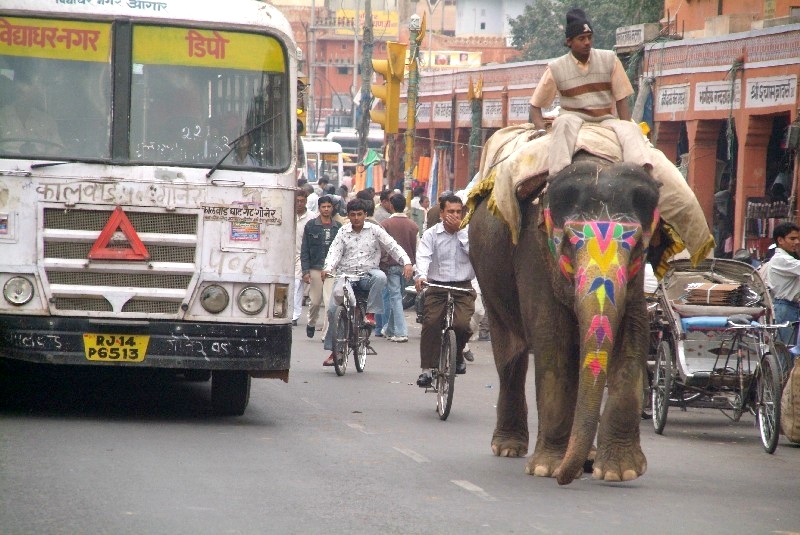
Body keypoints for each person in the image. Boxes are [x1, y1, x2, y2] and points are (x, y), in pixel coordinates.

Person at [528, 7, 652, 176]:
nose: (587, 42)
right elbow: (535, 105)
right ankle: (557, 175)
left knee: (631, 129)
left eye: (589, 37)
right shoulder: (556, 67)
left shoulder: (609, 59)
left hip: (605, 119)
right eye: (581, 38)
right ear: (569, 42)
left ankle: (642, 174)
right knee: (561, 123)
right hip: (572, 117)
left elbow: (621, 98)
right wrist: (541, 130)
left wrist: (625, 125)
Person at [320, 198, 413, 366]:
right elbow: (334, 252)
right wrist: (328, 268)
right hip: (346, 276)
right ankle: (336, 351)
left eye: (359, 214)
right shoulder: (343, 232)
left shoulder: (375, 230)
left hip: (367, 275)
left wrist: (406, 262)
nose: (356, 218)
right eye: (353, 215)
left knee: (381, 277)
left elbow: (392, 246)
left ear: (365, 215)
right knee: (333, 310)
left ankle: (370, 313)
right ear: (348, 216)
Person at [415, 193, 476, 387]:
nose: (455, 216)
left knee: (463, 325)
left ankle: (457, 355)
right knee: (431, 323)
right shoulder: (431, 234)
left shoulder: (469, 232)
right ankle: (427, 369)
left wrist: (461, 232)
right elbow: (423, 256)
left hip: (463, 287)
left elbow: (475, 254)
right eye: (450, 211)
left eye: (458, 212)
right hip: (437, 286)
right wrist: (421, 276)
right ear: (441, 213)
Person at [379, 193, 419, 343]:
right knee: (397, 297)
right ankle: (389, 329)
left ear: (391, 205)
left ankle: (401, 332)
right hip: (408, 266)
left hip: (391, 265)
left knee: (395, 297)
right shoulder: (413, 226)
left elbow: (382, 247)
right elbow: (417, 247)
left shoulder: (386, 224)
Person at [301, 195, 342, 339]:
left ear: (332, 208)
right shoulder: (311, 225)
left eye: (328, 207)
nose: (326, 209)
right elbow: (305, 250)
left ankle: (326, 334)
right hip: (315, 268)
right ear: (319, 208)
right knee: (315, 301)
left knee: (329, 301)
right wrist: (305, 271)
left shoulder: (338, 227)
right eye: (323, 207)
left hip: (330, 269)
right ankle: (311, 322)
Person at [0, 69, 63, 155]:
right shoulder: (1, 117)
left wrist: (43, 156)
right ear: (13, 91)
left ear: (35, 93)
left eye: (26, 92)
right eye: (19, 92)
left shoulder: (46, 120)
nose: (22, 96)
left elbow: (57, 151)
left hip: (41, 161)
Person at [765, 223, 800, 357]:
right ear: (780, 240)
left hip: (791, 307)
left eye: (798, 238)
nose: (796, 242)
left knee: (791, 351)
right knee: (786, 353)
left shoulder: (789, 258)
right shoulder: (782, 259)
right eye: (792, 239)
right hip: (785, 308)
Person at [293, 188, 314, 326]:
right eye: (297, 201)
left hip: (302, 255)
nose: (300, 203)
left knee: (297, 284)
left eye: (302, 201)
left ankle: (294, 315)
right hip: (287, 255)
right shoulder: (288, 213)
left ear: (306, 201)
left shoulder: (311, 217)